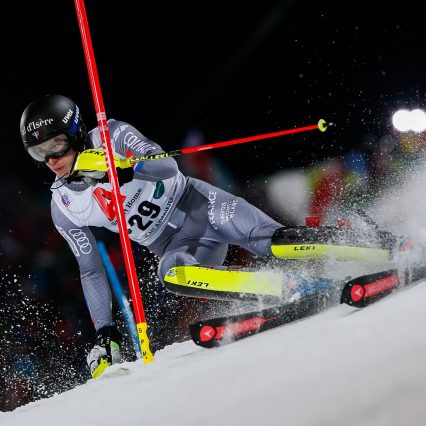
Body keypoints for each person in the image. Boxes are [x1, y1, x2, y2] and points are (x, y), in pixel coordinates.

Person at [20, 94, 291, 378]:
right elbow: (90, 270)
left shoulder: (113, 134)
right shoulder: (63, 206)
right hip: (178, 245)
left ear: (75, 134)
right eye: (40, 152)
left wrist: (121, 165)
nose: (51, 160)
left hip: (201, 205)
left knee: (270, 240)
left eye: (56, 146)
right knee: (172, 274)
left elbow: (166, 165)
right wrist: (105, 332)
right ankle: (280, 285)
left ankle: (325, 247)